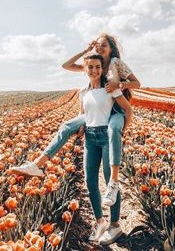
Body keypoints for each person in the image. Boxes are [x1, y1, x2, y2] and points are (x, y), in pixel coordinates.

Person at [10, 33, 140, 208]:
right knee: (65, 126)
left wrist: (120, 85)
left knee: (113, 130)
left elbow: (136, 83)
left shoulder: (116, 63)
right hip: (95, 109)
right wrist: (85, 50)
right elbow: (66, 65)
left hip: (114, 109)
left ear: (111, 48)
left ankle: (113, 185)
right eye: (97, 45)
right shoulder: (93, 64)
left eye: (104, 45)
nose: (100, 47)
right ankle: (36, 165)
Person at [79, 53, 132, 244]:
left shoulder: (109, 88)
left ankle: (115, 225)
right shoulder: (82, 92)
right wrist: (80, 128)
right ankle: (100, 221)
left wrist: (120, 131)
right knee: (90, 181)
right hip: (90, 139)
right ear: (85, 69)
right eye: (90, 67)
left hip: (106, 137)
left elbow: (127, 109)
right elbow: (82, 116)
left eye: (97, 67)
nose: (94, 70)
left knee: (111, 183)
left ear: (102, 69)